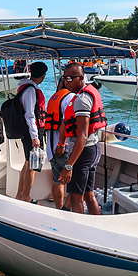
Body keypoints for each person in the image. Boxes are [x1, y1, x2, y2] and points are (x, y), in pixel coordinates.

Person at [58, 62, 107, 215]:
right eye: (64, 78)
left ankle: (79, 232)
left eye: (70, 78)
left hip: (84, 152)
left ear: (80, 78)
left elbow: (82, 135)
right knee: (88, 194)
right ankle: (97, 226)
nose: (66, 82)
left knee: (76, 197)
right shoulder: (87, 93)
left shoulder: (81, 100)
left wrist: (69, 166)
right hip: (93, 149)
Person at [14, 62, 48, 202]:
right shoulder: (30, 90)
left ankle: (20, 194)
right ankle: (26, 196)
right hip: (32, 131)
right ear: (43, 75)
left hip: (27, 131)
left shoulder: (23, 86)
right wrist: (35, 136)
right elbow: (30, 114)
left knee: (28, 162)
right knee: (33, 164)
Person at [45, 77, 77, 210]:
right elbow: (67, 121)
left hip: (51, 148)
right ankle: (67, 209)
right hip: (64, 147)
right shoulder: (71, 98)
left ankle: (59, 208)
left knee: (57, 181)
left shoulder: (54, 97)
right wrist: (62, 144)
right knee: (75, 181)